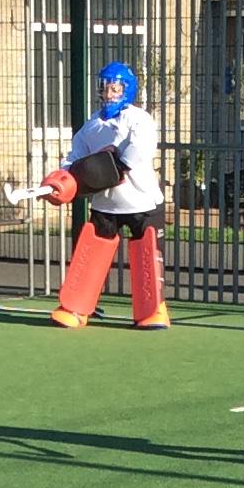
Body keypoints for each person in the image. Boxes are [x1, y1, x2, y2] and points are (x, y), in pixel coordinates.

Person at [44, 62, 170, 329]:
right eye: (105, 87)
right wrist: (62, 179)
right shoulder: (92, 125)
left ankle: (153, 310)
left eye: (115, 88)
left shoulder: (140, 119)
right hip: (106, 204)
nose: (109, 93)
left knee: (147, 255)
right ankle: (76, 308)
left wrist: (113, 167)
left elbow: (137, 152)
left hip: (142, 201)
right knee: (91, 253)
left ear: (127, 90)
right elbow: (75, 157)